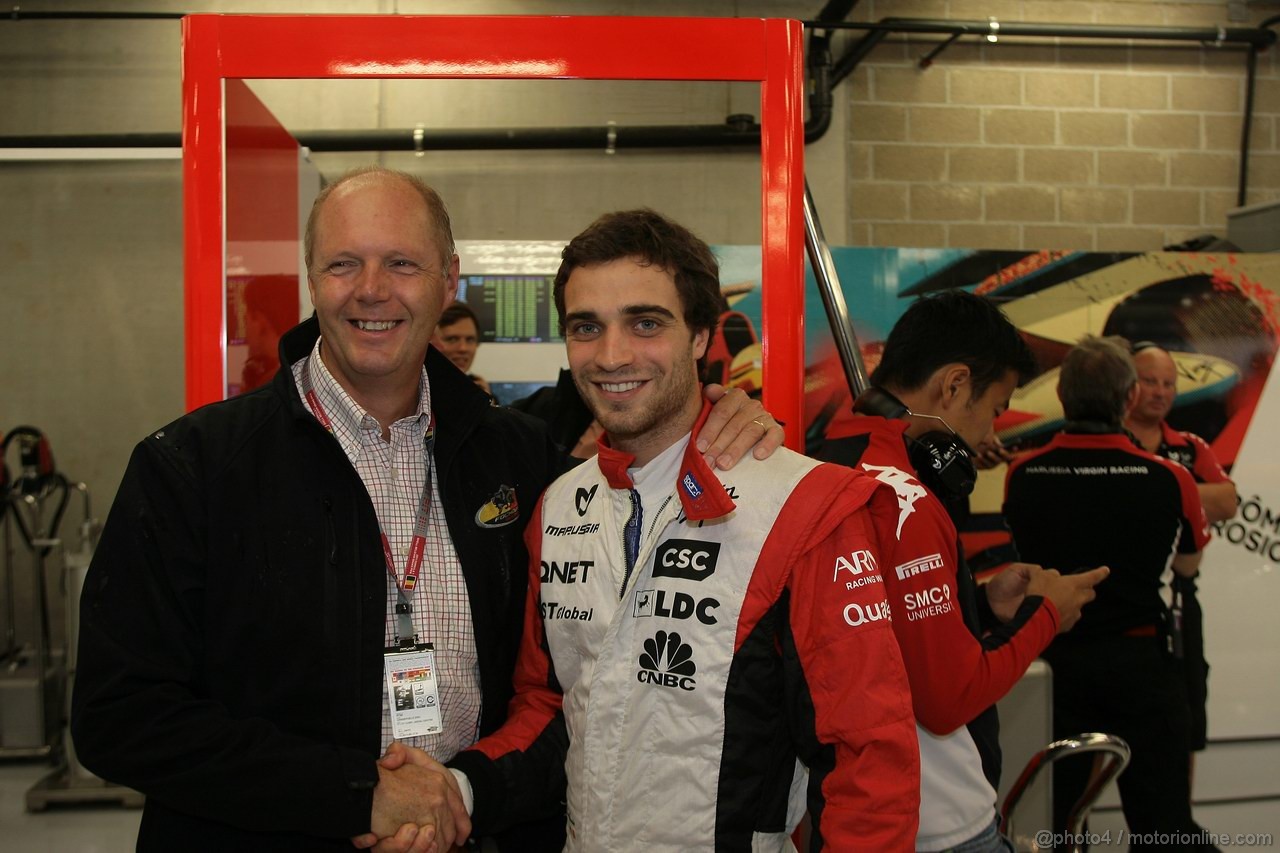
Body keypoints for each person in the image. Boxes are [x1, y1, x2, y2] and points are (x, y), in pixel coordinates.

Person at [70, 167, 783, 852]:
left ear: (449, 280)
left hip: (481, 829)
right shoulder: (192, 468)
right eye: (344, 263)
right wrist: (355, 793)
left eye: (403, 264)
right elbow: (119, 715)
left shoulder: (519, 459)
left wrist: (716, 418)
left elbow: (634, 498)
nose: (371, 291)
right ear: (312, 281)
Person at [367, 209, 921, 851]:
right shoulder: (558, 505)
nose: (611, 356)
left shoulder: (804, 507)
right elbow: (550, 708)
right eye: (586, 328)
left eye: (646, 323)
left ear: (699, 337)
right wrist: (461, 790)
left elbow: (870, 766)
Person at [818, 290, 1108, 853]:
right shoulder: (904, 498)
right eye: (995, 409)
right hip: (934, 816)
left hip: (850, 806)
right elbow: (948, 699)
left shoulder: (831, 454)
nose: (987, 437)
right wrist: (1048, 615)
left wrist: (976, 603)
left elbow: (871, 621)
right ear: (952, 386)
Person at [1004, 336, 1213, 850]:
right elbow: (1187, 562)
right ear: (1128, 399)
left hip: (1055, 662)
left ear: (1063, 398)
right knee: (1164, 826)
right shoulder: (1171, 477)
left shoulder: (1023, 473)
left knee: (1048, 823)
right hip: (1141, 663)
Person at [1125, 342, 1238, 759]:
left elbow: (1227, 502)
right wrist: (1184, 491)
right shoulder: (1106, 440)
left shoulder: (1189, 446)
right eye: (1149, 381)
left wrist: (1152, 485)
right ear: (1126, 384)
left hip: (1179, 602)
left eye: (1168, 384)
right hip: (1118, 603)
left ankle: (1178, 823)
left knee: (1183, 727)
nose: (1159, 392)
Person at [431, 300, 490, 393]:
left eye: (470, 340)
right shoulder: (411, 397)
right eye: (452, 339)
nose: (463, 348)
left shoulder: (480, 394)